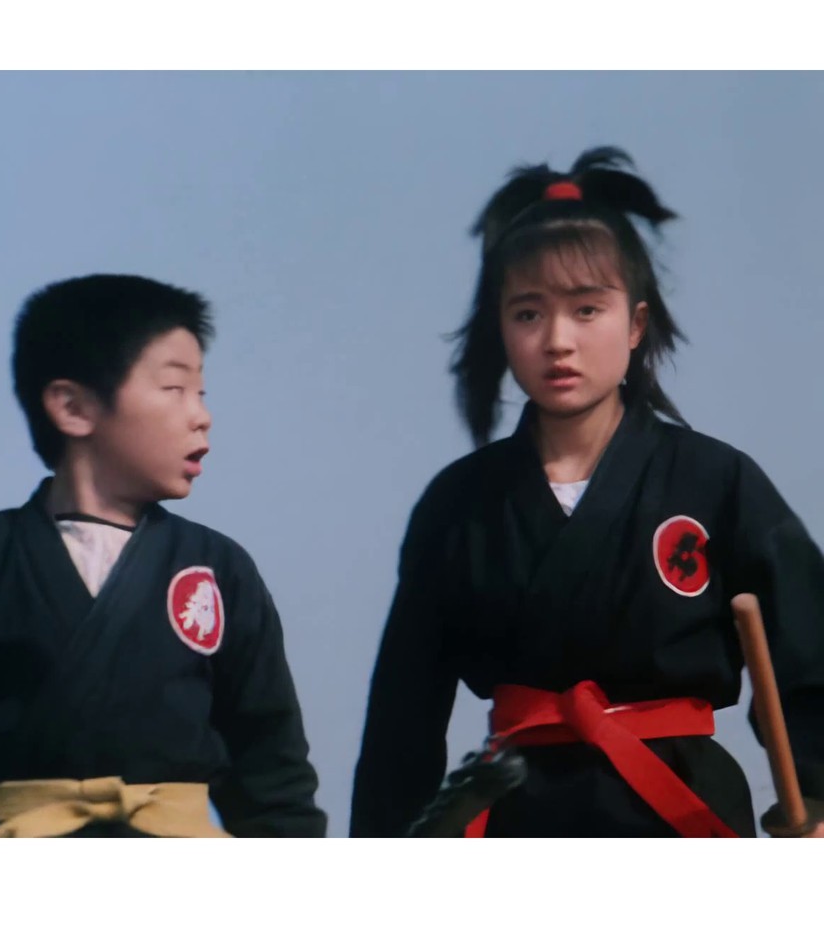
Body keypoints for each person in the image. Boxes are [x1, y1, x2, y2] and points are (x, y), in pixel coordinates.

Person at [350, 147, 824, 838]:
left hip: (680, 817)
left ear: (635, 325)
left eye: (586, 309)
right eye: (528, 314)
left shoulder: (717, 481)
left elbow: (810, 657)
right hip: (517, 821)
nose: (557, 340)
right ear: (501, 330)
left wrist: (818, 799)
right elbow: (403, 715)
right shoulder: (459, 505)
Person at [0, 273, 326, 838]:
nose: (202, 415)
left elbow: (275, 783)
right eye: (174, 389)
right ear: (73, 407)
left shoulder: (218, 569)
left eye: (201, 394)